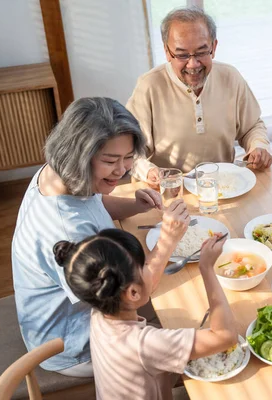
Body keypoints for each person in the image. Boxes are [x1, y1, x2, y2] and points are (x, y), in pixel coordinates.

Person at [11, 97, 184, 377]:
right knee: (189, 325)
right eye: (110, 161)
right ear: (78, 156)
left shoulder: (58, 175)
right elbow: (130, 298)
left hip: (73, 310)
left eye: (128, 158)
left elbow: (92, 204)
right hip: (73, 344)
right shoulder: (66, 229)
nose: (123, 170)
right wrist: (168, 240)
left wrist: (134, 205)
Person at [55, 228, 237, 400]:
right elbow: (226, 337)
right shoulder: (144, 344)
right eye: (144, 265)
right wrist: (206, 268)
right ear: (133, 293)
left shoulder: (99, 311)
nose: (149, 267)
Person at [127, 6, 272, 187]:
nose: (193, 64)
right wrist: (148, 170)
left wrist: (258, 146)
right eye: (181, 55)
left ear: (214, 46)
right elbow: (130, 150)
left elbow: (252, 126)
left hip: (224, 187)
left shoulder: (230, 77)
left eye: (202, 52)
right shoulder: (148, 85)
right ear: (167, 51)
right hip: (170, 191)